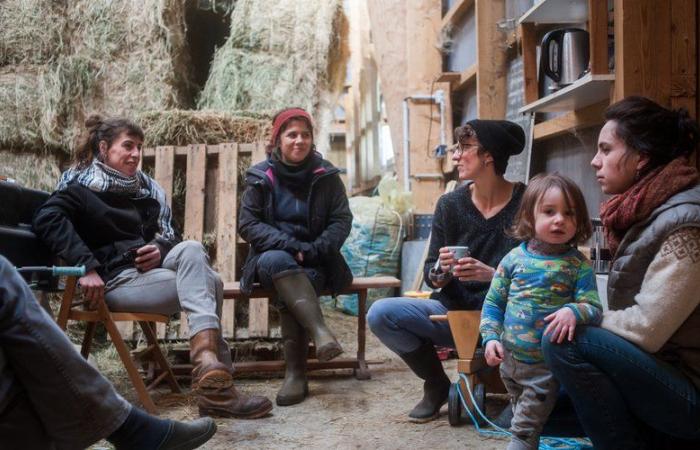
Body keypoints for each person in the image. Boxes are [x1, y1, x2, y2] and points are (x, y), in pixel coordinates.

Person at [32, 115, 272, 419]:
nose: (135, 154)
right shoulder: (80, 188)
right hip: (115, 282)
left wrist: (160, 249)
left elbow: (171, 237)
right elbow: (46, 219)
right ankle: (217, 386)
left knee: (193, 249)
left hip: (149, 274)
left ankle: (211, 369)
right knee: (210, 282)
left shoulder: (145, 191)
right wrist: (86, 267)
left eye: (139, 147)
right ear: (104, 148)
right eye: (128, 146)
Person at [542, 96, 700, 449]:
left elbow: (647, 329)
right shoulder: (645, 212)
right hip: (665, 371)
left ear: (641, 158)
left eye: (606, 150)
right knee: (536, 412)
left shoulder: (686, 223)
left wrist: (582, 313)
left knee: (565, 339)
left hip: (690, 392)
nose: (594, 161)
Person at [367, 119, 527, 422]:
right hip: (454, 315)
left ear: (488, 156)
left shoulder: (528, 202)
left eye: (464, 148)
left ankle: (522, 395)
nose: (455, 156)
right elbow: (430, 272)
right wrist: (441, 271)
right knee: (381, 314)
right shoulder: (450, 204)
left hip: (511, 318)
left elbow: (541, 273)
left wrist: (493, 275)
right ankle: (436, 384)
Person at [0, 255, 216, 450]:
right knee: (2, 272)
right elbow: (51, 217)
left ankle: (214, 377)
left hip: (145, 272)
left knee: (200, 263)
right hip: (114, 277)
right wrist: (86, 264)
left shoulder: (144, 210)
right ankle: (133, 429)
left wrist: (159, 248)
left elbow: (165, 236)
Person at [238, 107, 353, 406]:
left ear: (312, 139)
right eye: (291, 134)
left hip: (317, 261)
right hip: (269, 260)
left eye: (305, 134)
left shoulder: (326, 175)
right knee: (278, 261)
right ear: (278, 140)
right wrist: (292, 246)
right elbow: (248, 225)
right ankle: (320, 332)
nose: (299, 140)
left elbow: (341, 220)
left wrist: (314, 250)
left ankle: (296, 375)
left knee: (298, 286)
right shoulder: (262, 176)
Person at [480, 173, 602, 450]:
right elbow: (493, 303)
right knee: (518, 408)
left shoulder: (577, 266)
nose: (559, 219)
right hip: (509, 361)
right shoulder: (512, 260)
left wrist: (574, 310)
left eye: (569, 213)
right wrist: (490, 337)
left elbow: (594, 308)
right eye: (549, 212)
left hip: (545, 368)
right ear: (529, 217)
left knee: (525, 427)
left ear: (579, 221)